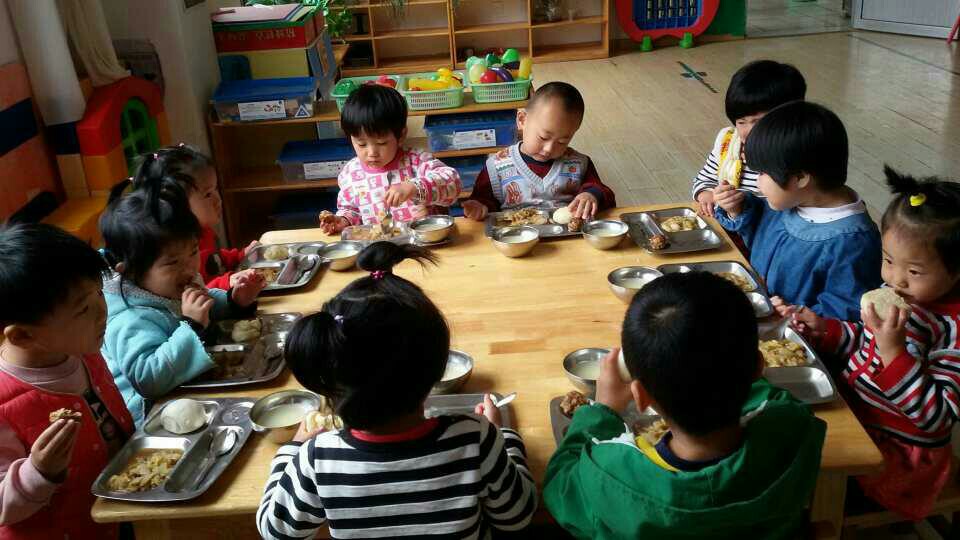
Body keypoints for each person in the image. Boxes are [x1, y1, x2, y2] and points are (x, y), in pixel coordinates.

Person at [257, 242, 537, 539]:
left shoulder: (317, 460)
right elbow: (517, 518)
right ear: (436, 370)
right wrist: (504, 436)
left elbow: (275, 532)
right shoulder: (476, 438)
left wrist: (291, 450)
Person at [543, 272, 826, 539]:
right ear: (758, 366)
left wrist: (603, 409)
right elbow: (772, 397)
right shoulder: (791, 427)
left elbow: (560, 483)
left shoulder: (612, 475)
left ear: (640, 396)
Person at [780, 166, 960, 521]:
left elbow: (934, 416)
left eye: (914, 271)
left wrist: (894, 351)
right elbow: (864, 344)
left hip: (898, 460)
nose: (896, 279)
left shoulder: (951, 330)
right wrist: (827, 330)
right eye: (889, 261)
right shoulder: (898, 296)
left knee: (798, 485)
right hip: (857, 415)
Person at [0, 223, 134, 539]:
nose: (102, 311)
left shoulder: (81, 351)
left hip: (120, 515)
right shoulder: (4, 404)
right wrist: (37, 473)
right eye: (83, 309)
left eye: (99, 293)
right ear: (23, 336)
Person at [99, 179, 261, 426]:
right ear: (130, 271)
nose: (189, 268)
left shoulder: (166, 284)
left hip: (189, 391)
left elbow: (202, 301)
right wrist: (191, 325)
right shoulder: (128, 317)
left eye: (193, 252)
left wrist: (234, 300)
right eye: (172, 262)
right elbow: (148, 379)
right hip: (154, 416)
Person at [713, 101, 882, 321]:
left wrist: (794, 314)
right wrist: (737, 209)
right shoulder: (794, 200)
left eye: (763, 173)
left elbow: (845, 310)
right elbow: (759, 233)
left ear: (800, 178)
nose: (758, 182)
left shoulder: (852, 242)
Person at [112, 143, 266, 292]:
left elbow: (214, 261)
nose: (218, 199)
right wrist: (227, 282)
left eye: (216, 189)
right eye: (207, 194)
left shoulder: (204, 231)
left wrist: (240, 256)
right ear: (177, 203)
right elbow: (191, 290)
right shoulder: (180, 248)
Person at [318, 85, 462, 235]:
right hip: (379, 244)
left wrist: (413, 187)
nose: (372, 153)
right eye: (361, 144)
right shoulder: (351, 173)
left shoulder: (417, 162)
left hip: (423, 241)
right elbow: (351, 210)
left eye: (381, 143)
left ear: (401, 136)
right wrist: (342, 221)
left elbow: (453, 183)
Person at [463, 81, 616, 221]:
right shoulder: (496, 167)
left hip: (567, 237)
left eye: (562, 141)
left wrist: (592, 195)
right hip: (515, 236)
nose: (549, 149)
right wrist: (479, 207)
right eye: (543, 137)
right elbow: (483, 201)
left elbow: (604, 193)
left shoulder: (579, 164)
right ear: (522, 120)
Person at [691, 60, 806, 216]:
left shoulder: (795, 155)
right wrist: (708, 196)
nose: (749, 132)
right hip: (730, 221)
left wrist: (739, 209)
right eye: (741, 122)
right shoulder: (729, 143)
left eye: (758, 122)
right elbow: (704, 179)